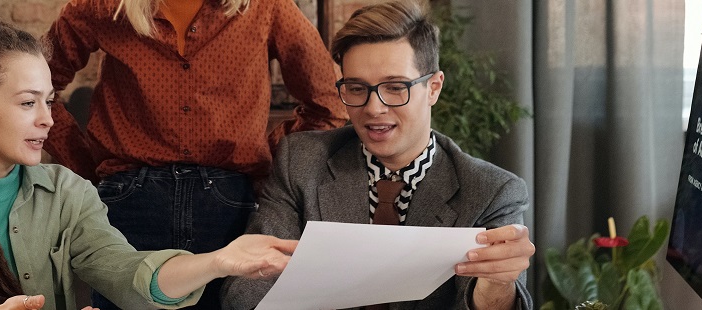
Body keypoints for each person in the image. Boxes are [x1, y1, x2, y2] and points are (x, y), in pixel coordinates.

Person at [0, 7, 297, 310]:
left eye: (49, 101)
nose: (48, 120)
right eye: (26, 103)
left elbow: (128, 274)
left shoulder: (68, 194)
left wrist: (220, 261)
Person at [221, 1, 535, 309]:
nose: (374, 108)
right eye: (357, 88)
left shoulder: (490, 191)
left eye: (396, 87)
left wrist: (499, 280)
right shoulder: (301, 162)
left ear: (434, 88)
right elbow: (244, 291)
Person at [41, 0, 349, 307]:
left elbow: (328, 105)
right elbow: (39, 85)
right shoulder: (102, 7)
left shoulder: (266, 7)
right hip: (129, 201)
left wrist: (268, 160)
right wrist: (84, 170)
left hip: (229, 205)